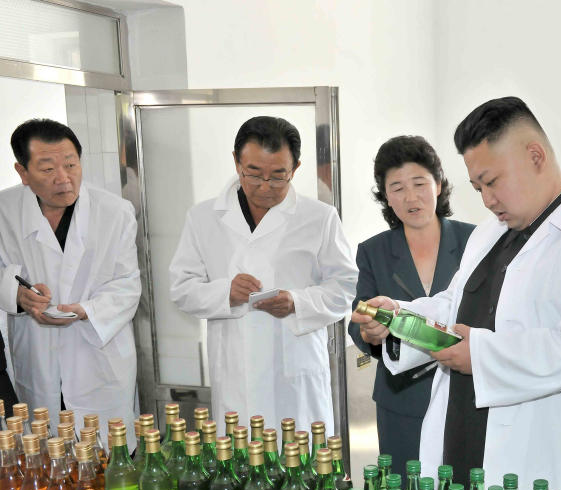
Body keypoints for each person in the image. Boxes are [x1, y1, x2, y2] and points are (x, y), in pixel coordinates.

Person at [352, 97, 561, 490]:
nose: (487, 200)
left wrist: (484, 355)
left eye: (492, 182)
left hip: (546, 448)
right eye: (478, 188)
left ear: (535, 156)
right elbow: (453, 306)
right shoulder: (491, 233)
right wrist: (400, 317)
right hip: (463, 432)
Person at [169, 116, 357, 432]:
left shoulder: (319, 218)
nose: (265, 187)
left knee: (301, 465)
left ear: (295, 168)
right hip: (235, 372)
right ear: (236, 162)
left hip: (295, 374)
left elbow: (345, 287)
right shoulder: (203, 218)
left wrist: (297, 302)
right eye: (253, 174)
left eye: (278, 176)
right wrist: (224, 293)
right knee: (241, 465)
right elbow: (182, 287)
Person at [0, 119, 140, 442]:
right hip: (37, 356)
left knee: (108, 456)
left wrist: (85, 310)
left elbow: (128, 286)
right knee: (49, 461)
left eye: (71, 164)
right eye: (47, 169)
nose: (63, 179)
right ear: (22, 173)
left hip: (99, 360)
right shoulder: (4, 211)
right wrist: (17, 294)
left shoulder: (115, 212)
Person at [348, 136, 474, 481]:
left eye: (419, 183)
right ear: (385, 196)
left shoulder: (475, 241)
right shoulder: (373, 250)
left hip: (464, 392)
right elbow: (360, 315)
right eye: (397, 188)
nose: (410, 197)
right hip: (402, 398)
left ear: (439, 185)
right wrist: (368, 331)